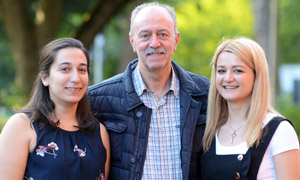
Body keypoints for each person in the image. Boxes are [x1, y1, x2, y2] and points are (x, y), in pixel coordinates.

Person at [88, 2, 209, 180]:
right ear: (133, 41)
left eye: (163, 34)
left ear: (175, 40)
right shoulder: (97, 99)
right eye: (145, 35)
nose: (155, 43)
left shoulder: (204, 93)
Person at [0, 38, 110, 180]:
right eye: (65, 69)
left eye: (82, 69)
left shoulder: (100, 132)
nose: (76, 78)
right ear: (45, 78)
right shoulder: (22, 126)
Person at [201, 37, 300, 179]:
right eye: (221, 71)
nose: (228, 78)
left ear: (256, 76)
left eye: (238, 71)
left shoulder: (279, 130)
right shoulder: (209, 132)